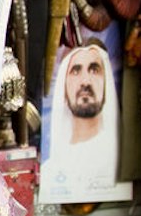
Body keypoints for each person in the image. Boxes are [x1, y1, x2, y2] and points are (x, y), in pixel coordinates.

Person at [41, 40, 119, 199]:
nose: (85, 81)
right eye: (76, 71)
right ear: (64, 84)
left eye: (94, 70)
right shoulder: (50, 170)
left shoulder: (118, 165)